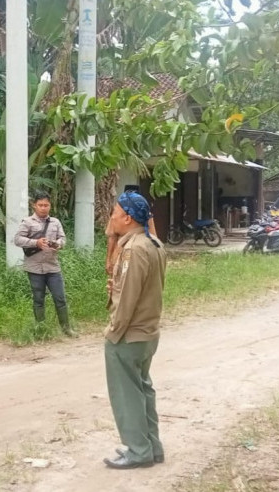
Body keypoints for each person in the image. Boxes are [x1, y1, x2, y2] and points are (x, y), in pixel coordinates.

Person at [103, 191, 167, 470]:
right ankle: (152, 445)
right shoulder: (154, 244)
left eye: (115, 213)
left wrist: (113, 332)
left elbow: (127, 297)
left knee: (127, 394)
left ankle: (138, 450)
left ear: (127, 218)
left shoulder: (133, 249)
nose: (112, 218)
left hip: (129, 334)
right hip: (149, 331)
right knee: (143, 390)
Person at [14, 192, 76, 337]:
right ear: (34, 205)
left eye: (46, 205)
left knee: (60, 298)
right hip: (34, 268)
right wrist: (36, 242)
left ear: (50, 206)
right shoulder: (27, 222)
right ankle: (41, 330)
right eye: (40, 205)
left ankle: (66, 329)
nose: (43, 208)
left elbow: (63, 238)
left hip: (53, 266)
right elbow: (17, 239)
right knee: (38, 299)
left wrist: (58, 244)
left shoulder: (55, 222)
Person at [105, 185, 156, 276]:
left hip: (137, 255)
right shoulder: (117, 215)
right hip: (120, 254)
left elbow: (153, 238)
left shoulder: (145, 215)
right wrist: (108, 260)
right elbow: (112, 237)